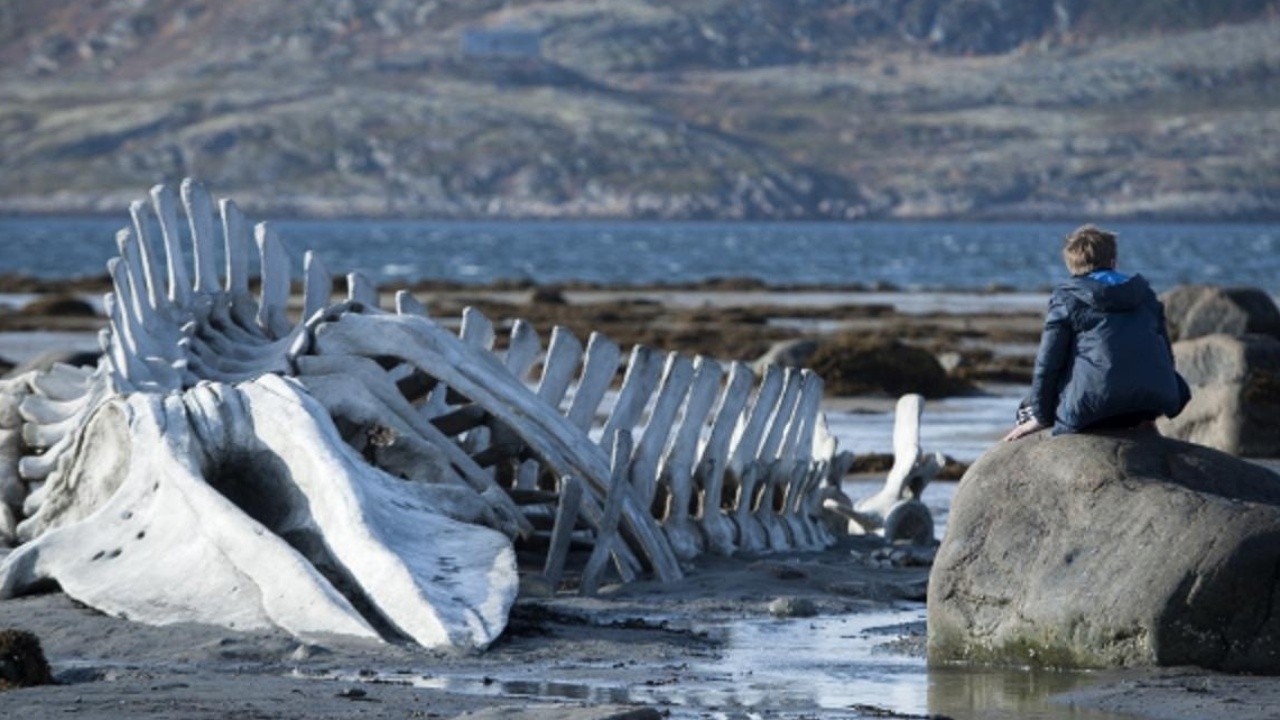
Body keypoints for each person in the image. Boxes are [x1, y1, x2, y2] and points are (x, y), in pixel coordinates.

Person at [1004, 224, 1190, 442]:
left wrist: (1041, 417)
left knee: (1027, 408)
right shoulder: (1145, 294)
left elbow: (1048, 364)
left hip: (1096, 408)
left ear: (1072, 266)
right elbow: (1166, 355)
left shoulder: (1068, 298)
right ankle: (1144, 423)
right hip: (1152, 404)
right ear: (1113, 262)